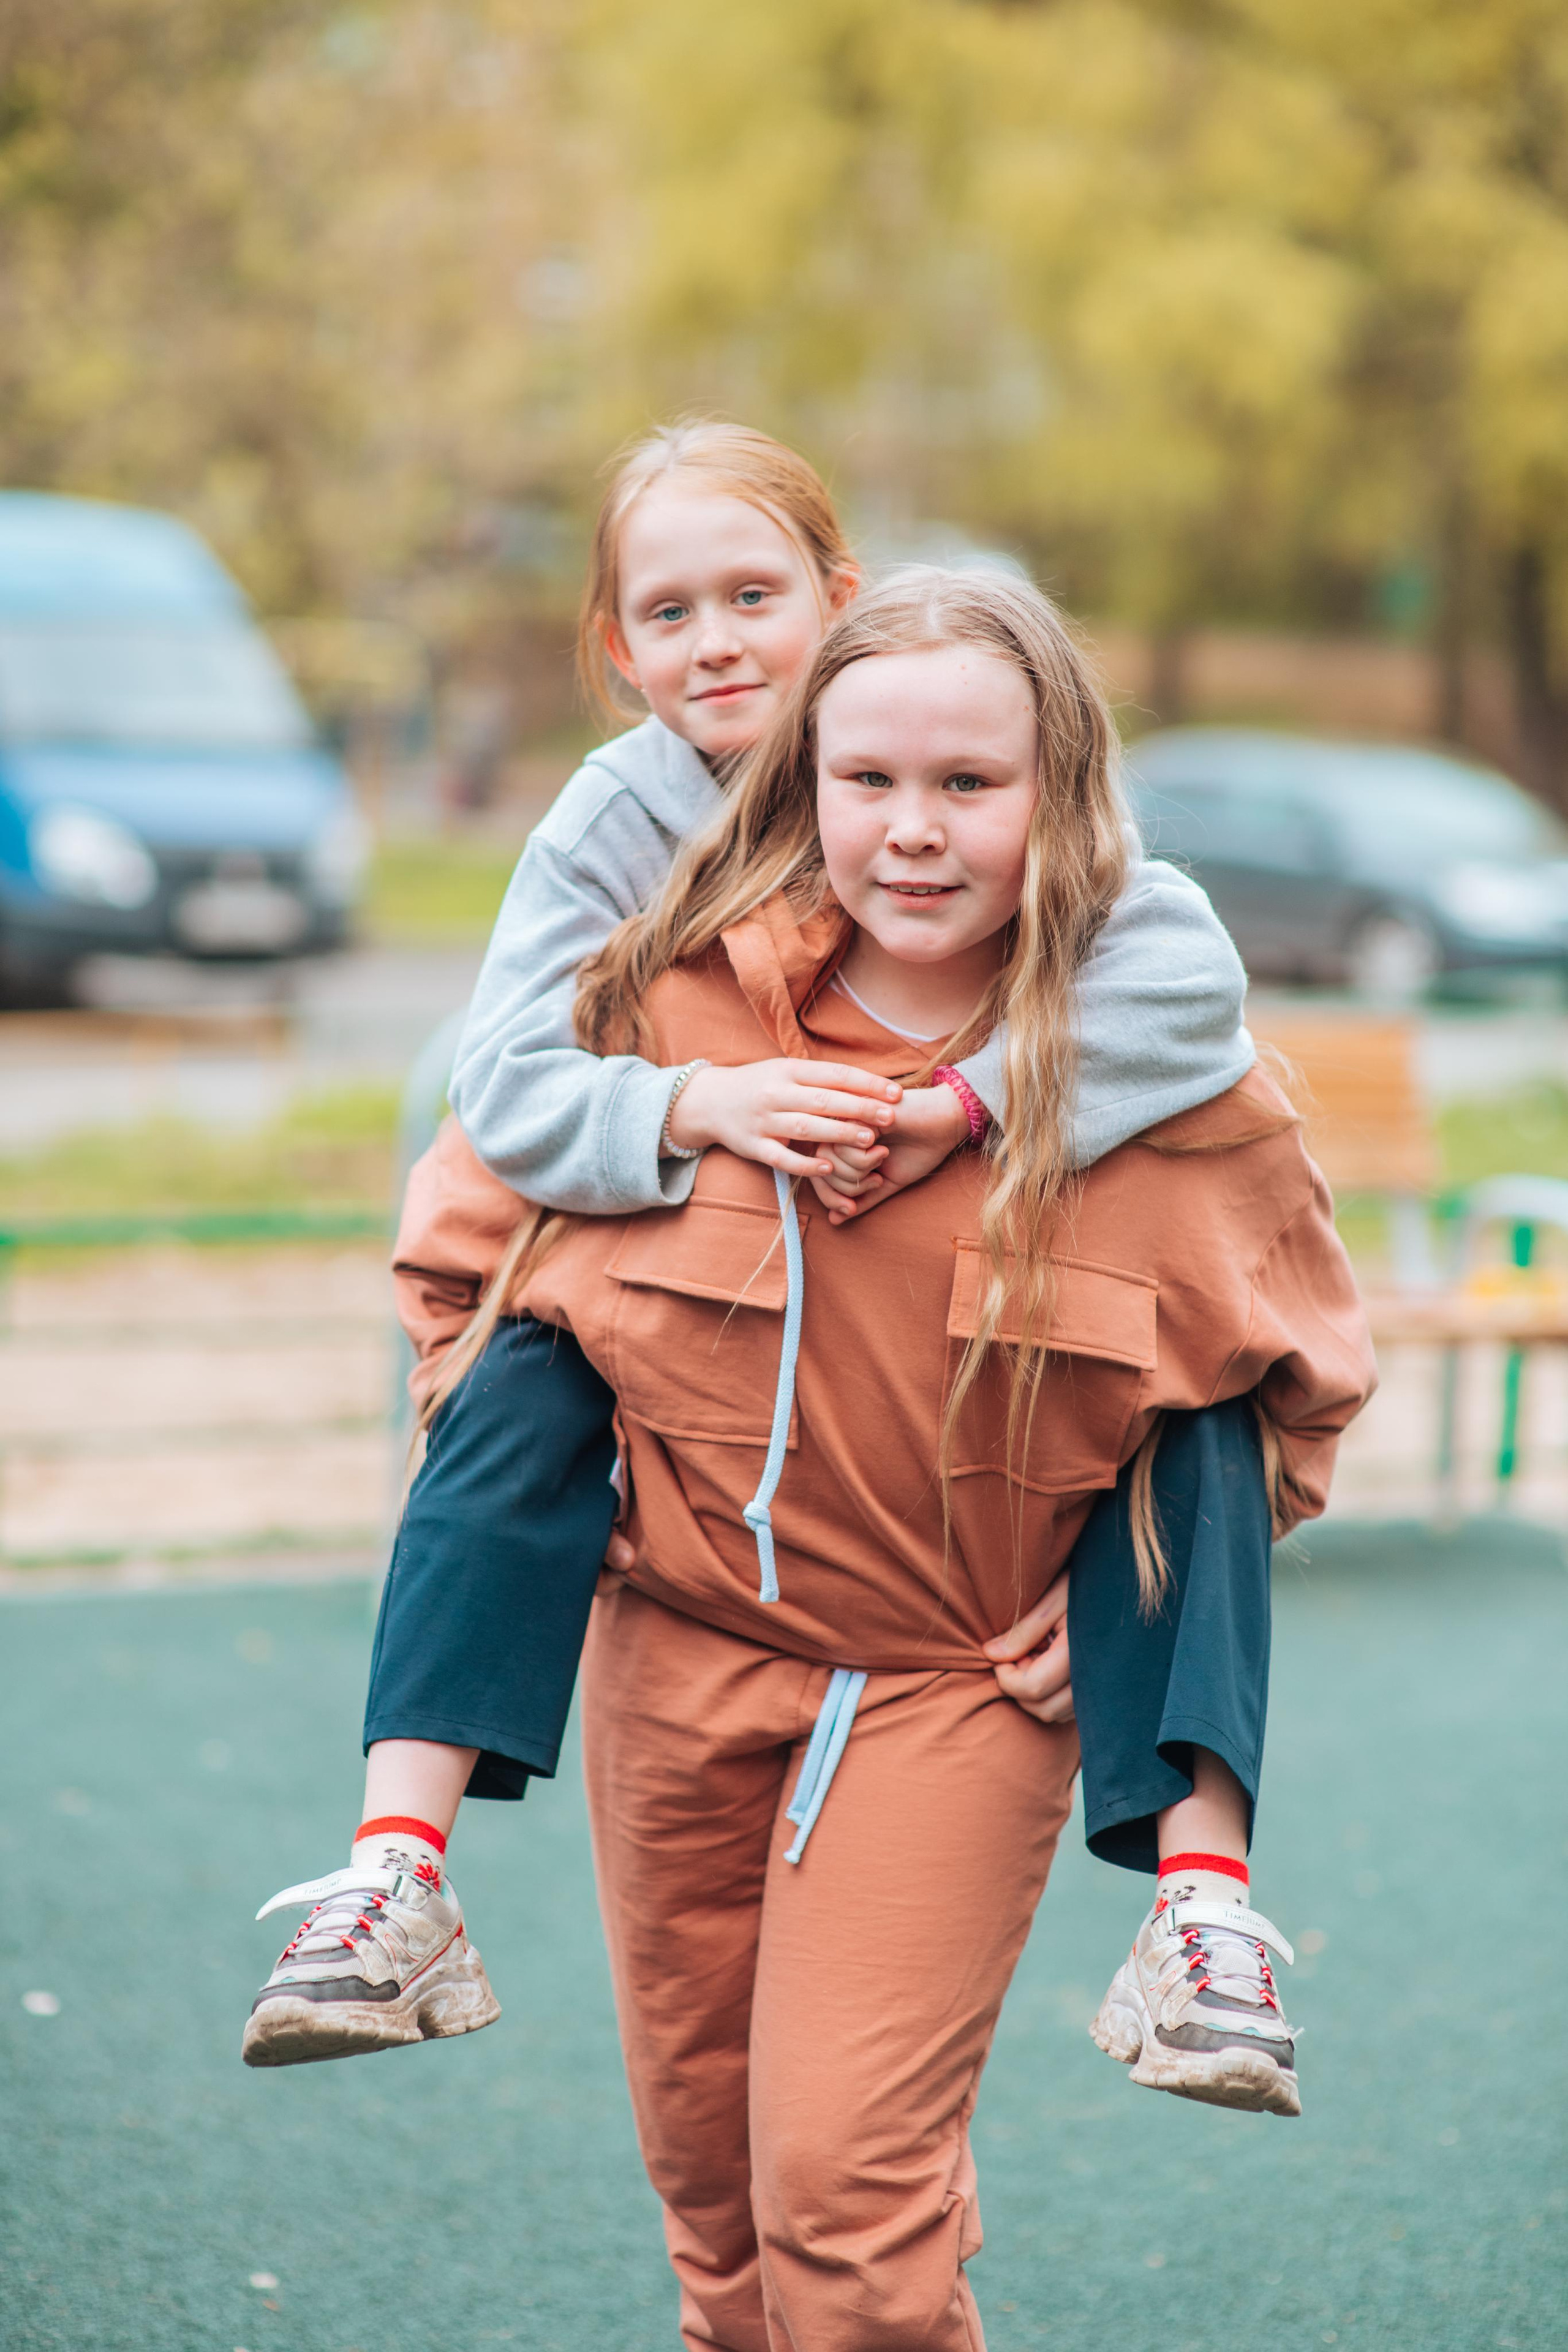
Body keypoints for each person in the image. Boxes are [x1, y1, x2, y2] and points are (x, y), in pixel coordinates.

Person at [402, 568, 1373, 2347]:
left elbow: (1293, 1377)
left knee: (844, 2197)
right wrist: (548, 1512)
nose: (913, 836)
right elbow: (464, 1259)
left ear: (1060, 796)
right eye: (869, 784)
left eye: (969, 787)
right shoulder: (671, 1006)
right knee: (718, 2206)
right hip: (677, 1662)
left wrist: (1136, 1606)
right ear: (802, 786)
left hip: (954, 1689)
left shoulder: (1166, 1082)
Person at [241, 426, 1263, 2092]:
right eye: (667, 611)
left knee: (1192, 1394)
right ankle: (398, 1864)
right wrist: (697, 1099)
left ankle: (1206, 1901)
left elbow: (1181, 982)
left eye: (752, 596)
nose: (714, 641)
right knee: (532, 1361)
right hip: (699, 1468)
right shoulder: (627, 825)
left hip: (952, 1565)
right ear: (615, 647)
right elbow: (499, 1092)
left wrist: (965, 1101)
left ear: (838, 607)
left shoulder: (954, 755)